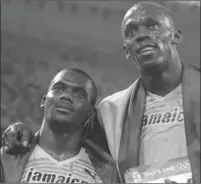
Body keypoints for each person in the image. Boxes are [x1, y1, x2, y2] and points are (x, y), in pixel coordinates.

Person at [2, 1, 200, 183]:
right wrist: (20, 132)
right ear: (126, 50)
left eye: (153, 26)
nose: (141, 35)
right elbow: (63, 134)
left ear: (176, 36)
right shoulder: (112, 110)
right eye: (131, 31)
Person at [0, 68, 116, 183]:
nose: (66, 96)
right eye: (58, 89)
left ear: (91, 114)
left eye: (79, 94)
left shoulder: (108, 174)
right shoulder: (8, 158)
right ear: (44, 101)